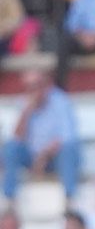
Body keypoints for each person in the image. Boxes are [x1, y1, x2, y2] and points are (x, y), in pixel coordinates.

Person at [2, 70, 81, 201]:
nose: (31, 91)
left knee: (69, 150)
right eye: (27, 87)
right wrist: (26, 112)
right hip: (31, 157)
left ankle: (69, 198)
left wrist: (44, 155)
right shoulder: (23, 103)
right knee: (10, 148)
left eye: (35, 86)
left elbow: (66, 137)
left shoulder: (61, 102)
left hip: (54, 157)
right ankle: (9, 198)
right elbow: (16, 138)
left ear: (45, 85)